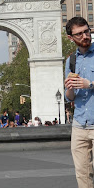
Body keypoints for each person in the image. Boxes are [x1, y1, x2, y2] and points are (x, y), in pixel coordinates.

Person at [64, 16, 94, 187]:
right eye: (79, 34)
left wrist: (89, 84)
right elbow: (70, 97)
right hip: (79, 125)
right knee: (82, 175)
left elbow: (86, 85)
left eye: (86, 31)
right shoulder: (71, 61)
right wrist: (69, 87)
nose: (85, 36)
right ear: (71, 38)